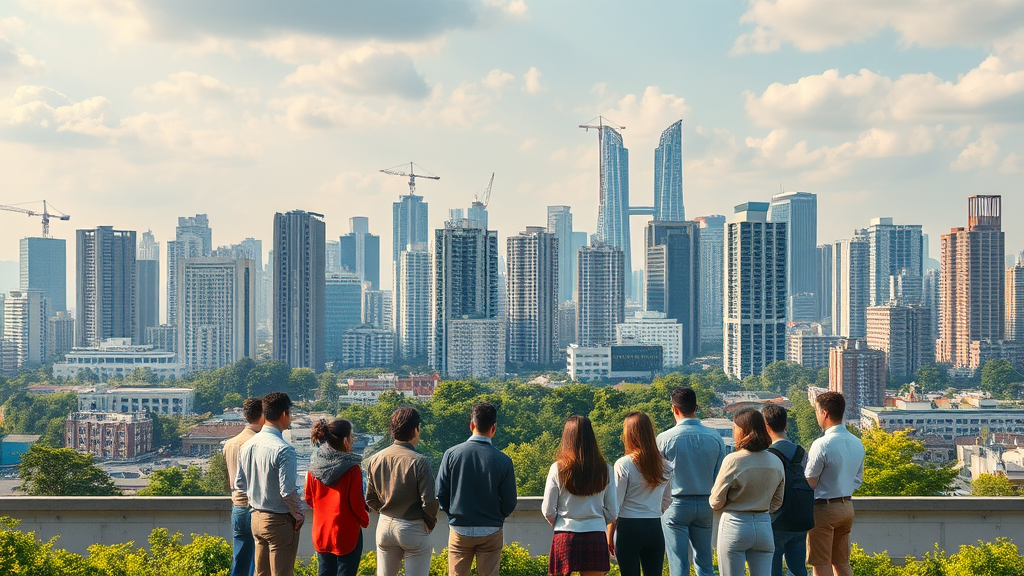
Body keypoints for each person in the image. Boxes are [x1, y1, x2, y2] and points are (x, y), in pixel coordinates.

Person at [436, 403, 518, 576]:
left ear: (472, 425)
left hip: (459, 527)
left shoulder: (451, 454)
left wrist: (452, 515)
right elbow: (509, 501)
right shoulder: (503, 460)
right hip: (491, 528)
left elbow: (441, 492)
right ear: (493, 428)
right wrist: (497, 517)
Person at [657, 387, 727, 576]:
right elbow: (720, 475)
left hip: (675, 503)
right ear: (696, 407)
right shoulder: (715, 438)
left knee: (679, 564)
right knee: (704, 563)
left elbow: (658, 478)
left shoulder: (664, 439)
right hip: (706, 503)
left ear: (675, 409)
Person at [710, 408, 785, 576]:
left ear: (742, 430)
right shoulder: (775, 460)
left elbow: (715, 500)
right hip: (763, 522)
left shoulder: (733, 460)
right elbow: (778, 501)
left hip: (735, 522)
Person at [235, 392, 303, 576]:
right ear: (283, 414)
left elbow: (239, 483)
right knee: (282, 572)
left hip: (256, 518)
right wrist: (298, 515)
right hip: (279, 520)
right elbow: (287, 491)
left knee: (261, 573)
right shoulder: (284, 449)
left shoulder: (247, 445)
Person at [365, 407, 439, 576]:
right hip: (412, 526)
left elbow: (370, 498)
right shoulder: (420, 462)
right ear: (415, 430)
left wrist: (384, 510)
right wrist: (429, 523)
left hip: (384, 525)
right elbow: (429, 502)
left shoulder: (375, 459)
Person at [542, 415, 618, 576]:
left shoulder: (558, 468)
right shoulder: (606, 469)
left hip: (565, 534)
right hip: (595, 534)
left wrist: (560, 521)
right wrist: (597, 514)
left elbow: (548, 510)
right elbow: (613, 513)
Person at [804, 392, 865, 576]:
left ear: (825, 413)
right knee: (841, 563)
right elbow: (857, 479)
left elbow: (810, 481)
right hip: (847, 507)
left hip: (824, 508)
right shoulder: (857, 442)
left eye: (816, 411)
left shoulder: (822, 444)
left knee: (821, 564)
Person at [608, 412, 672, 576]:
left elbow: (616, 505)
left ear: (629, 434)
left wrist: (609, 534)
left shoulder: (624, 464)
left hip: (629, 527)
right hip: (654, 527)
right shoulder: (664, 465)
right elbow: (667, 500)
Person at [305, 418, 368, 576]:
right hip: (346, 532)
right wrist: (364, 519)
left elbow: (308, 498)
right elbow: (357, 503)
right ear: (346, 440)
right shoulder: (352, 469)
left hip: (321, 531)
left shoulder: (314, 466)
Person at [762, 404, 810, 576]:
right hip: (800, 520)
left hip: (776, 521)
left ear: (765, 426)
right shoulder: (801, 453)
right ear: (786, 425)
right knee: (798, 570)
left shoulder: (767, 455)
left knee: (772, 570)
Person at [224, 397, 264, 576]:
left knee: (239, 561)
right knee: (259, 565)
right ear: (263, 415)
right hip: (256, 508)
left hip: (237, 507)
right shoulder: (259, 443)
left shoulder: (230, 443)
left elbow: (230, 481)